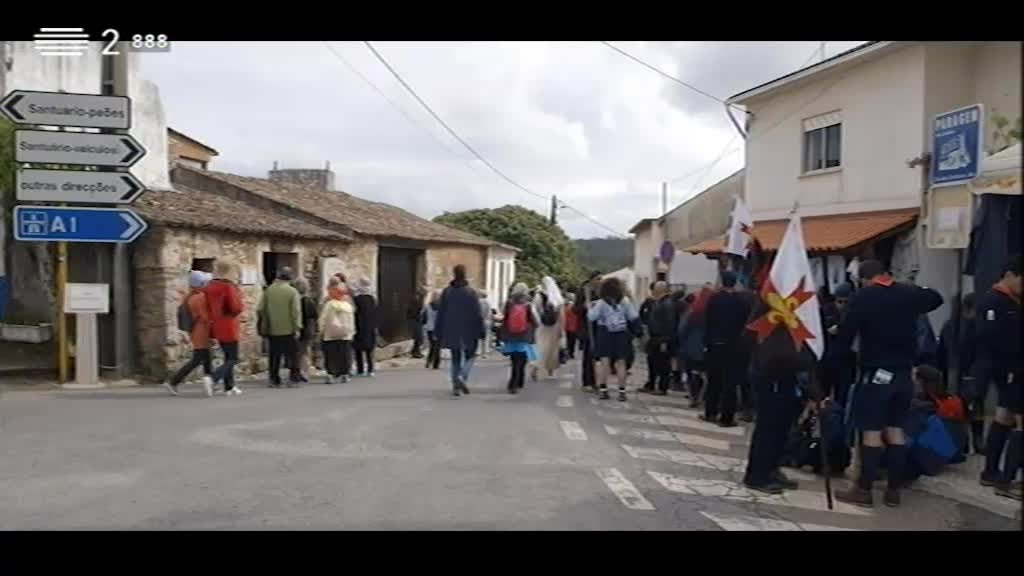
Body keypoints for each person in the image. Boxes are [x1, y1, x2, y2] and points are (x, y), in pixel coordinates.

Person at [833, 259, 944, 508]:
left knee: (871, 431)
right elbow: (936, 298)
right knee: (896, 430)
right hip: (905, 374)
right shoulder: (908, 293)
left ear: (863, 279)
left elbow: (845, 335)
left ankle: (864, 490)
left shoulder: (862, 297)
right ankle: (893, 491)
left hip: (875, 373)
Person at [976, 255, 1022, 501]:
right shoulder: (994, 301)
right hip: (1011, 369)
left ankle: (991, 472)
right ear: (1010, 275)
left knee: (1004, 417)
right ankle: (1006, 480)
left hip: (1011, 369)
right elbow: (989, 337)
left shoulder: (1014, 301)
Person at [702, 270, 753, 428]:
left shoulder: (714, 300)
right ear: (735, 282)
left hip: (715, 345)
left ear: (722, 282)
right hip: (735, 347)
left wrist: (707, 342)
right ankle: (727, 417)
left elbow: (707, 322)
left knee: (714, 380)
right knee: (731, 383)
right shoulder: (742, 302)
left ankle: (710, 412)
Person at [936, 293, 980, 452]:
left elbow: (941, 352)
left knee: (958, 409)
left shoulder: (950, 325)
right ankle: (975, 440)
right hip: (970, 372)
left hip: (953, 373)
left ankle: (962, 443)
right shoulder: (974, 326)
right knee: (974, 407)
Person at [435, 264, 485, 397]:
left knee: (455, 358)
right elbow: (477, 313)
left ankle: (455, 386)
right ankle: (462, 376)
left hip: (451, 329)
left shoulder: (447, 292)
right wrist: (482, 330)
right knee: (471, 356)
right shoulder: (471, 292)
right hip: (469, 329)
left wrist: (438, 330)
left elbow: (441, 312)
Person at [164, 270, 215, 397]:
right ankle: (173, 381)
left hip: (197, 331)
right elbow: (205, 317)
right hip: (201, 331)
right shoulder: (199, 297)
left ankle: (210, 382)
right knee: (198, 359)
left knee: (206, 357)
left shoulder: (190, 296)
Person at [588, 276, 639, 402]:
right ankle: (622, 392)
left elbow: (591, 317)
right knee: (621, 363)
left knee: (604, 362)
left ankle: (603, 390)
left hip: (604, 333)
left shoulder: (601, 303)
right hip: (621, 334)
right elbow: (633, 316)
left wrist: (590, 307)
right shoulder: (625, 301)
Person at [259, 266, 303, 388]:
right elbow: (296, 312)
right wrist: (297, 327)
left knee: (274, 355)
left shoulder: (269, 290)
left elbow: (260, 309)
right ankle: (293, 379)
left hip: (273, 329)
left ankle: (274, 379)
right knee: (293, 355)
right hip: (289, 329)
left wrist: (266, 322)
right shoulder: (292, 292)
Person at [206, 260, 244, 396]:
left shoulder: (210, 286)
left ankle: (229, 386)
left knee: (227, 357)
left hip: (216, 324)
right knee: (233, 358)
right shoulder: (228, 286)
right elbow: (236, 307)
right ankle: (214, 377)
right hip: (229, 325)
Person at [821, 282, 856, 407]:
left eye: (846, 302)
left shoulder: (853, 313)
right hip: (827, 360)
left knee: (843, 397)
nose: (842, 305)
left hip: (846, 361)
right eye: (840, 302)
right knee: (823, 396)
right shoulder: (826, 310)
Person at [501, 282, 539, 394]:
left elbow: (503, 317)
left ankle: (512, 383)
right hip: (524, 336)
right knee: (522, 360)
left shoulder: (509, 303)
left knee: (514, 360)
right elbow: (536, 321)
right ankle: (519, 381)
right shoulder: (528, 304)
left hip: (511, 336)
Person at [677, 288, 711, 408]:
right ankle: (703, 397)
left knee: (692, 374)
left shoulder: (692, 312)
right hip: (708, 348)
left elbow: (682, 329)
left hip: (691, 348)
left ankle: (693, 397)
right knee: (706, 375)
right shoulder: (713, 313)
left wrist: (682, 343)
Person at [319, 278, 355, 384]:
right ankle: (344, 373)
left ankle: (330, 373)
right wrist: (351, 332)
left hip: (330, 334)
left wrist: (321, 330)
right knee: (344, 354)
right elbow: (351, 320)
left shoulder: (329, 304)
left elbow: (323, 319)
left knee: (330, 354)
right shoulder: (348, 306)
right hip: (345, 334)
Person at [645, 281, 677, 396]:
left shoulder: (667, 304)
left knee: (662, 364)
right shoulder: (658, 302)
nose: (653, 290)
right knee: (652, 361)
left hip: (662, 338)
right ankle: (651, 384)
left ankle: (662, 387)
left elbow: (670, 323)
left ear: (661, 290)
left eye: (656, 288)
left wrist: (666, 340)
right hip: (655, 337)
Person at [533, 276, 564, 379]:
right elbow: (561, 314)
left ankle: (536, 368)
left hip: (542, 325)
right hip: (555, 325)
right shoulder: (557, 297)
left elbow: (535, 310)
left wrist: (537, 322)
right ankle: (550, 372)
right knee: (552, 349)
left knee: (540, 347)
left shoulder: (539, 295)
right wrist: (562, 329)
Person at [576, 271, 602, 391]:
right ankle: (587, 382)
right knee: (588, 355)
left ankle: (596, 381)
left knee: (597, 355)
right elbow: (575, 309)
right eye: (597, 279)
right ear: (591, 279)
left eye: (601, 279)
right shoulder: (583, 291)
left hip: (599, 327)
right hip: (586, 327)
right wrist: (585, 307)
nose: (599, 281)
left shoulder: (601, 291)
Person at [293, 277, 318, 383]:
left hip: (297, 328)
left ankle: (297, 371)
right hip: (308, 329)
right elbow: (314, 315)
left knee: (297, 352)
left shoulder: (295, 301)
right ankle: (304, 372)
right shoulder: (309, 301)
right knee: (305, 352)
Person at [352, 278, 378, 377]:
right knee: (369, 349)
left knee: (358, 349)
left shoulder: (357, 299)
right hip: (370, 327)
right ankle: (370, 369)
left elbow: (355, 312)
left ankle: (360, 369)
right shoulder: (372, 299)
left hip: (359, 326)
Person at [639, 282, 658, 392]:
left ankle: (653, 383)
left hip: (655, 335)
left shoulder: (654, 302)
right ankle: (651, 382)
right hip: (651, 334)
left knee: (654, 360)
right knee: (651, 359)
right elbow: (641, 314)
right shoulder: (649, 302)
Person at [423, 290, 442, 370]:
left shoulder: (427, 306)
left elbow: (424, 318)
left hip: (429, 328)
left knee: (432, 345)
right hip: (439, 328)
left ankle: (428, 361)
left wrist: (425, 324)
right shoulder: (442, 307)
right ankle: (436, 364)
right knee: (437, 346)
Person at [407, 288, 426, 359]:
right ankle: (415, 352)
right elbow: (414, 312)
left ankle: (415, 351)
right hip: (414, 320)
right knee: (418, 337)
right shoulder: (416, 301)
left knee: (418, 338)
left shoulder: (418, 300)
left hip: (416, 320)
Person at [563, 292, 580, 360]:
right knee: (572, 341)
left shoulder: (566, 306)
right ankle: (571, 353)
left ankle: (568, 353)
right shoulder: (574, 306)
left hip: (567, 326)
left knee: (568, 341)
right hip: (573, 326)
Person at [478, 289, 493, 359]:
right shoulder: (488, 303)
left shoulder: (477, 302)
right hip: (486, 321)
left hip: (478, 321)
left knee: (478, 337)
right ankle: (484, 353)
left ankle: (478, 351)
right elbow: (489, 313)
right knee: (485, 337)